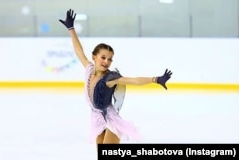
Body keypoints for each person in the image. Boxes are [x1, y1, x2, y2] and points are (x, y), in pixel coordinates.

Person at [59, 9, 172, 147]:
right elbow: (79, 52)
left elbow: (133, 81)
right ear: (94, 57)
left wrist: (155, 79)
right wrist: (71, 29)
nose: (106, 61)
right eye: (103, 57)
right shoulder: (89, 70)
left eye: (110, 59)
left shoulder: (110, 78)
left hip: (111, 119)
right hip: (96, 118)